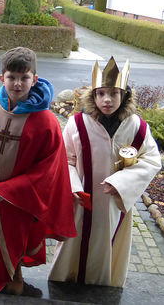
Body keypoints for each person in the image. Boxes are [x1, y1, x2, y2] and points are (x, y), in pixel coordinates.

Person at [0, 47, 76, 295]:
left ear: (35, 79)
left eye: (24, 78)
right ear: (2, 78)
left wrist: (10, 190)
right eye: (11, 77)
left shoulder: (46, 122)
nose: (17, 84)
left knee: (13, 238)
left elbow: (49, 170)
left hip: (17, 201)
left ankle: (13, 273)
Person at [49, 57, 161, 287]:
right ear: (93, 95)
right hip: (82, 203)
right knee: (74, 248)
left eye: (114, 93)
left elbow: (150, 160)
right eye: (101, 93)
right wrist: (74, 187)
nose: (107, 100)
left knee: (107, 246)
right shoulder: (77, 124)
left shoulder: (137, 127)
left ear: (125, 95)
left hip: (115, 204)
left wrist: (120, 182)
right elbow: (64, 160)